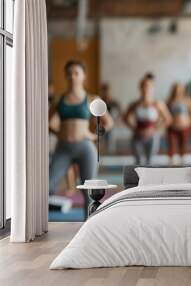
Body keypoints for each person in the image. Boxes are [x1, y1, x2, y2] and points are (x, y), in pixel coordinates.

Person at [48, 60, 113, 218]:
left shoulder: (92, 98)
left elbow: (108, 123)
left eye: (76, 73)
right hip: (63, 148)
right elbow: (48, 123)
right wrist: (60, 134)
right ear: (66, 76)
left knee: (88, 193)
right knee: (48, 186)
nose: (72, 76)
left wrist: (92, 135)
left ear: (83, 76)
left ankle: (88, 226)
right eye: (69, 73)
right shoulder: (59, 100)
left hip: (85, 148)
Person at [123, 73, 172, 165]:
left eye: (148, 86)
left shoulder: (157, 103)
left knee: (150, 162)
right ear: (140, 88)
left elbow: (168, 119)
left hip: (152, 136)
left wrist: (155, 130)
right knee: (138, 162)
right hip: (137, 136)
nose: (146, 89)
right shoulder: (135, 104)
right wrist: (134, 129)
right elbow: (125, 118)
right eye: (143, 86)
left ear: (152, 88)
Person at [166, 83, 191, 165]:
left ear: (183, 90)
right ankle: (171, 163)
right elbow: (165, 113)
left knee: (183, 145)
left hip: (184, 127)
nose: (178, 91)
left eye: (180, 89)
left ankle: (182, 162)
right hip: (172, 127)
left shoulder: (188, 100)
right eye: (176, 89)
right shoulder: (169, 101)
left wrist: (190, 121)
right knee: (171, 146)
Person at [100, 83, 122, 153]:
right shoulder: (100, 102)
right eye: (104, 91)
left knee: (110, 145)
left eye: (107, 91)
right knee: (101, 144)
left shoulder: (115, 103)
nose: (106, 93)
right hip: (102, 126)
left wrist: (116, 122)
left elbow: (120, 114)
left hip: (112, 128)